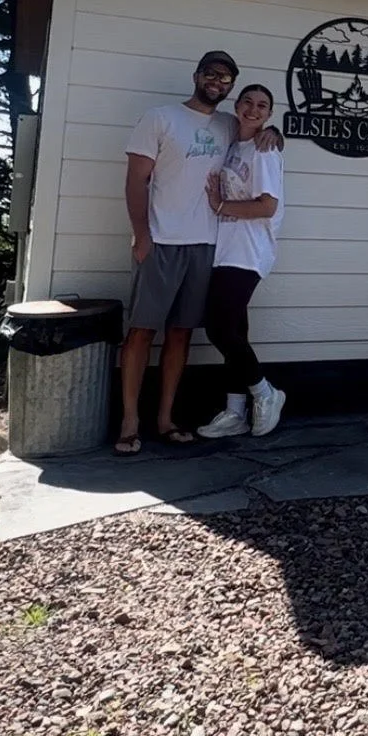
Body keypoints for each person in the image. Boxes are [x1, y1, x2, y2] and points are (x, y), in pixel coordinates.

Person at [116, 50, 280, 455]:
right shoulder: (160, 117)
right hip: (161, 240)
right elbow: (136, 182)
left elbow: (260, 136)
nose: (218, 81)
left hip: (208, 247)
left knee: (181, 332)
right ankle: (129, 420)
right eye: (212, 73)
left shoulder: (230, 124)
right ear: (197, 75)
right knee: (140, 332)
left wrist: (276, 132)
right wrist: (141, 235)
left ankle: (166, 419)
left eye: (226, 78)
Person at [197, 83, 286, 439]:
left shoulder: (264, 151)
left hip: (248, 252)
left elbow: (267, 205)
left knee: (218, 328)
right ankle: (235, 412)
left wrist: (220, 206)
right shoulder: (235, 144)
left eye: (262, 105)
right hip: (225, 249)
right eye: (248, 101)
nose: (253, 109)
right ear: (237, 106)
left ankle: (266, 391)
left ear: (269, 114)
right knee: (236, 332)